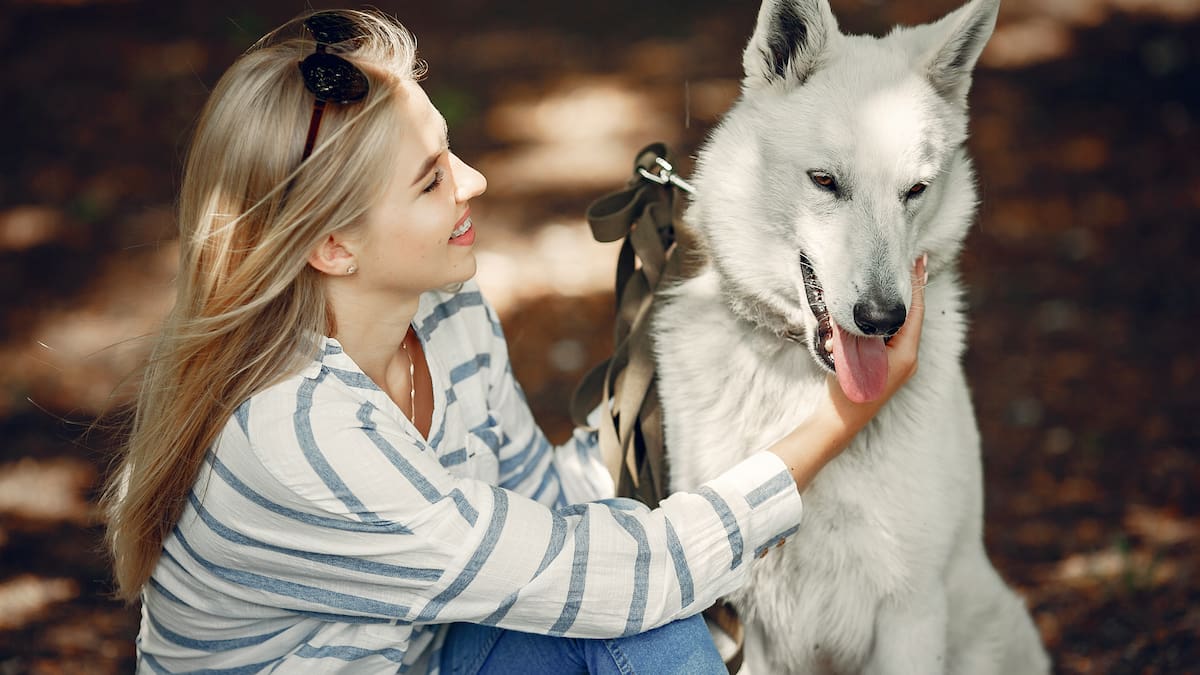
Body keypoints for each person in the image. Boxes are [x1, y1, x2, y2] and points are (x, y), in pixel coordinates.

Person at [101, 9, 927, 674]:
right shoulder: (298, 434)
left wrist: (658, 403)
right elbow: (614, 577)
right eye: (431, 180)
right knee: (637, 609)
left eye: (447, 152)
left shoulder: (445, 317)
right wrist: (842, 415)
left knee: (636, 616)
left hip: (439, 652)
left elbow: (544, 511)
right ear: (332, 247)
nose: (475, 182)